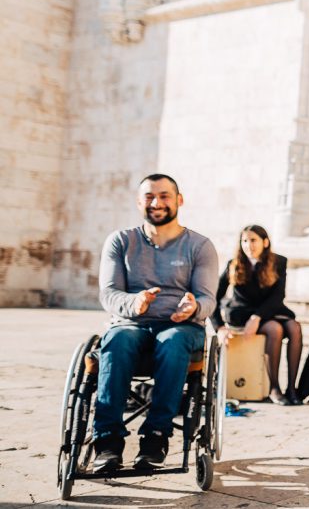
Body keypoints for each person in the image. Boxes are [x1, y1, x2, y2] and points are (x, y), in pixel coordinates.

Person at [91, 174, 218, 473]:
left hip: (181, 327)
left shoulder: (200, 246)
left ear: (179, 200)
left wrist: (194, 307)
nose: (157, 202)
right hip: (131, 323)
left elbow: (208, 298)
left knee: (173, 341)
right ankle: (107, 441)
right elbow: (108, 293)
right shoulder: (121, 241)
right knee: (117, 340)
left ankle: (155, 437)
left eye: (164, 195)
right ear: (139, 202)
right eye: (149, 197)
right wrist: (133, 303)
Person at [211, 225, 302, 406]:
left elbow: (278, 296)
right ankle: (274, 388)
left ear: (265, 242)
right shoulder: (233, 264)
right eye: (244, 241)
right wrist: (219, 327)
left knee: (294, 327)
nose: (248, 245)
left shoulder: (279, 262)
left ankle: (292, 389)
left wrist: (257, 317)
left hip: (269, 310)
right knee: (275, 329)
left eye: (253, 240)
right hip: (241, 313)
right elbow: (214, 296)